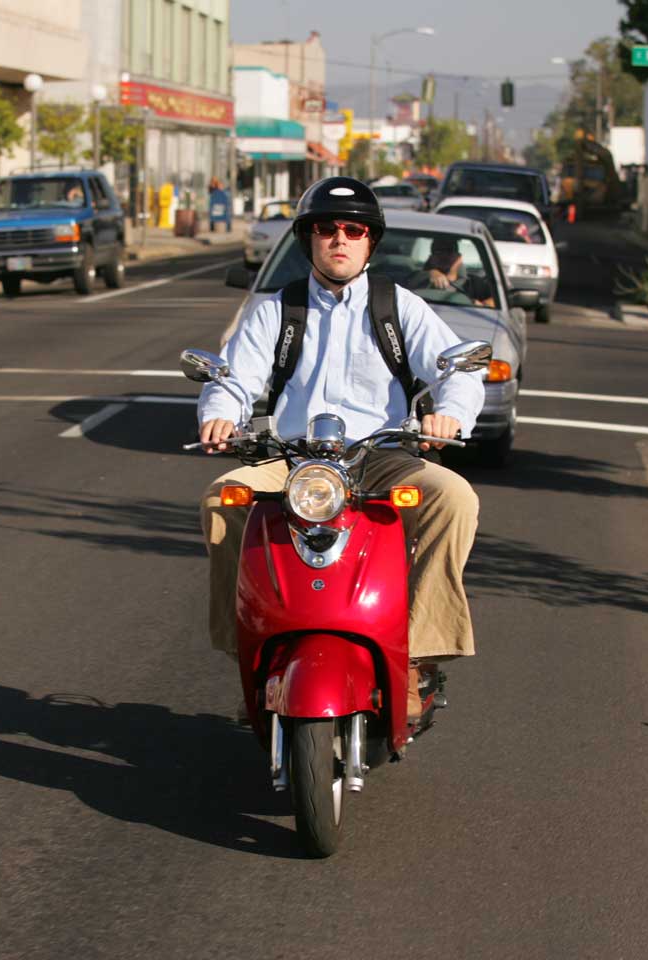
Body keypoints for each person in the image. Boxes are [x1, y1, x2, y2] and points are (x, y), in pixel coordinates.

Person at [196, 176, 485, 718]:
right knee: (222, 498)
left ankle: (416, 655)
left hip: (379, 455)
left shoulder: (398, 306)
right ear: (309, 239)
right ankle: (249, 649)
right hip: (291, 458)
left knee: (454, 498)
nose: (340, 239)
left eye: (353, 230)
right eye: (326, 229)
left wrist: (450, 414)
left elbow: (456, 369)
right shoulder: (276, 310)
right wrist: (219, 416)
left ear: (370, 241)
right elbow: (234, 378)